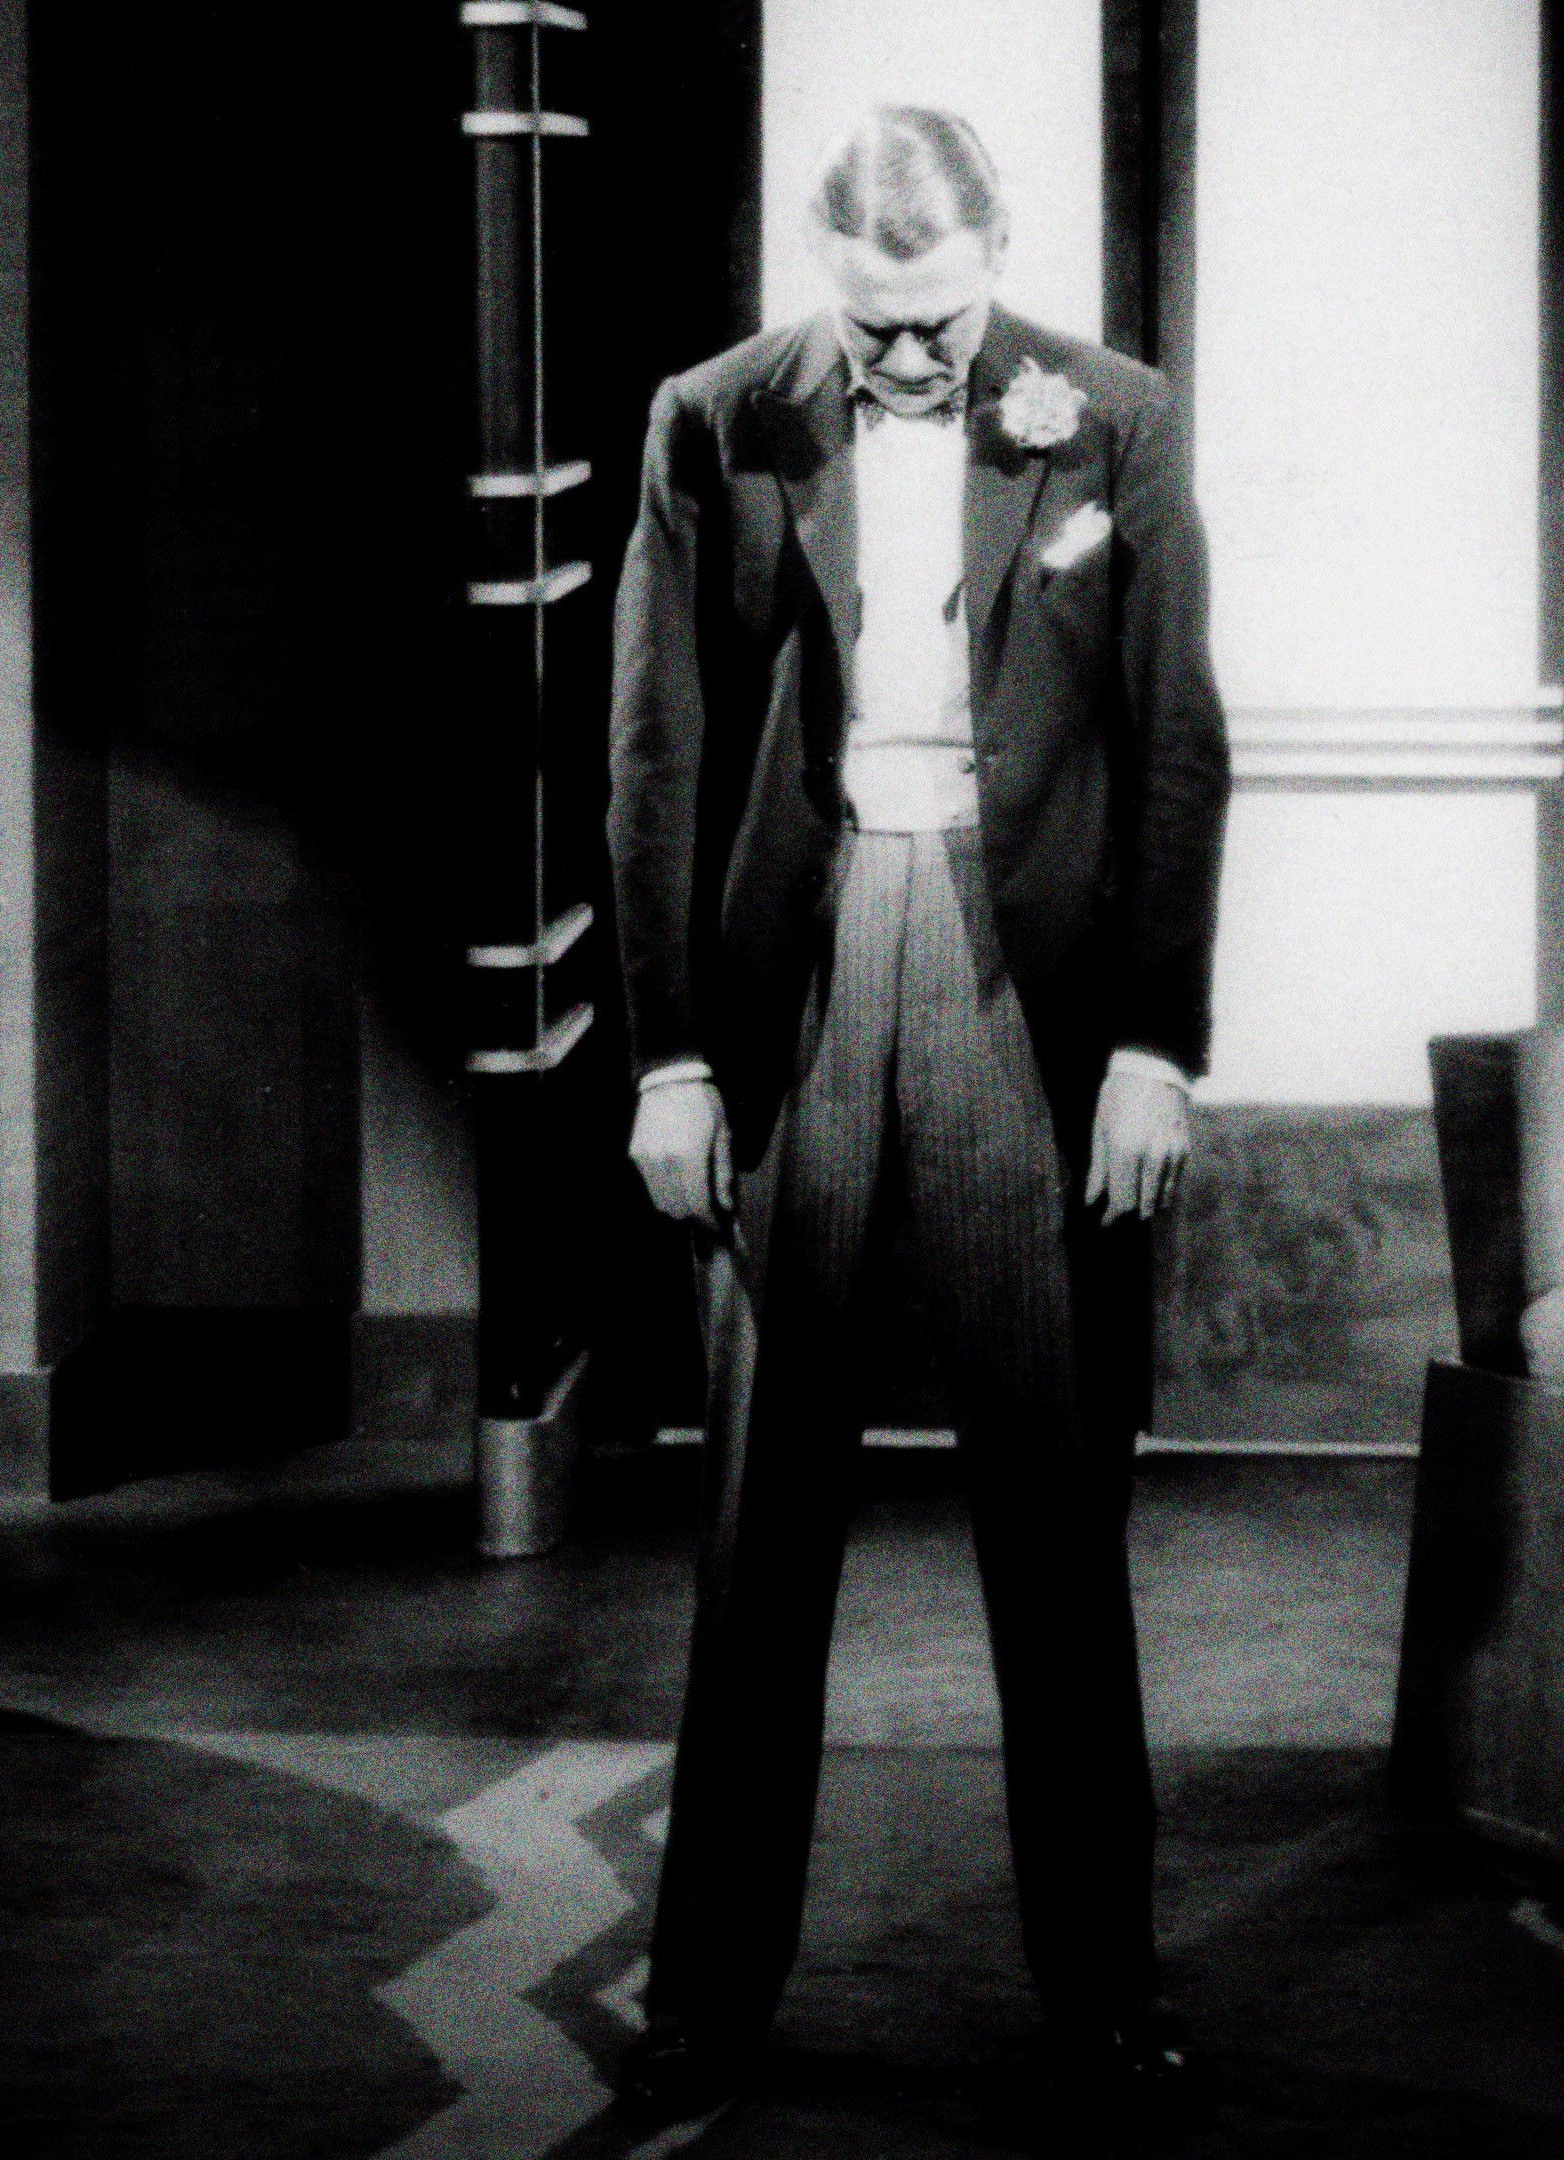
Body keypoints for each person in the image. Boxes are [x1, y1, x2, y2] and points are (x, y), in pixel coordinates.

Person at [602, 104, 1232, 2128]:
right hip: (794, 969)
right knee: (757, 1527)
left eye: (937, 319)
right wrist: (673, 1059)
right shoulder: (714, 419)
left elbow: (1176, 745)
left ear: (996, 260)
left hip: (1015, 979)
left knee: (1053, 1521)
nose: (900, 354)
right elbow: (656, 753)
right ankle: (706, 1995)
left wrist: (1152, 1048)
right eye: (868, 319)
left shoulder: (1114, 418)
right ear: (823, 275)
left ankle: (1105, 1990)